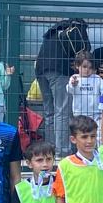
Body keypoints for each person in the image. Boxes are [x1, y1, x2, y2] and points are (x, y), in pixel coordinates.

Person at [32, 16, 90, 150]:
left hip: (41, 70)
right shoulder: (77, 29)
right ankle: (62, 151)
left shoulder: (53, 31)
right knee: (62, 111)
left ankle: (50, 148)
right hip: (59, 70)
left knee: (49, 112)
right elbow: (85, 50)